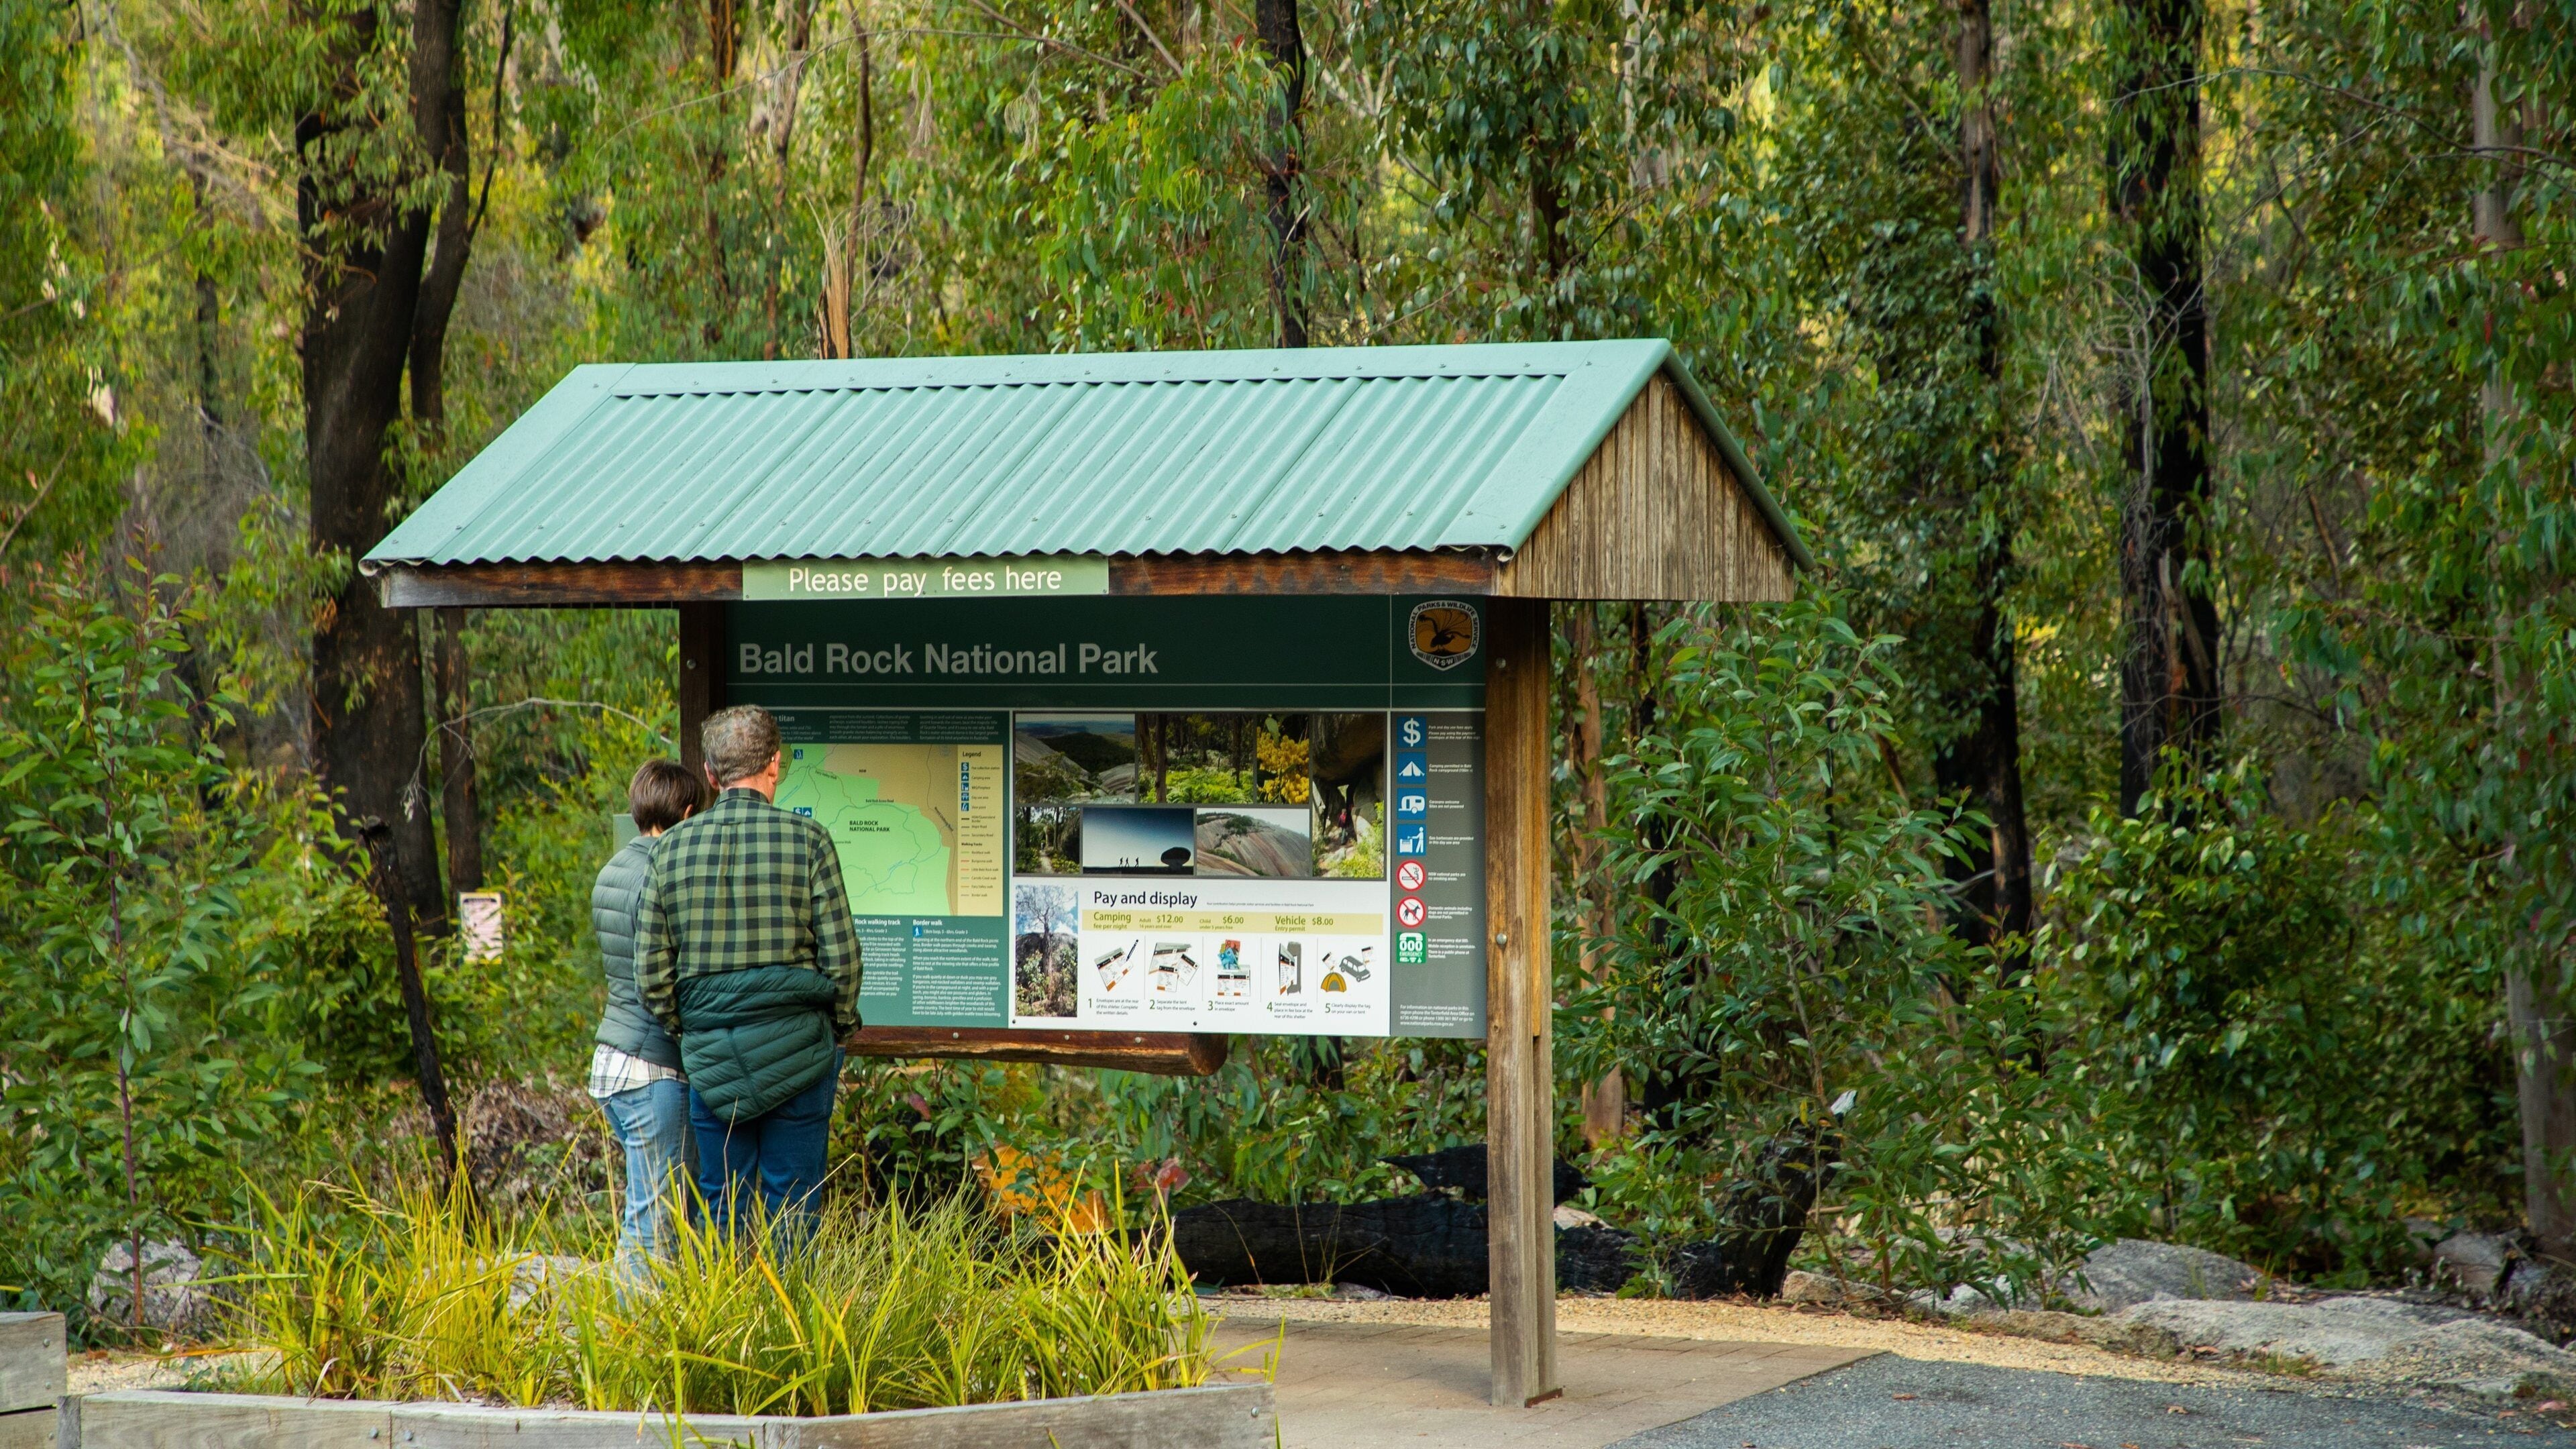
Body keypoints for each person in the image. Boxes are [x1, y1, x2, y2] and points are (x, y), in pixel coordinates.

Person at [637, 706, 863, 1237]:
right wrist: (838, 1030)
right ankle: (792, 1318)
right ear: (775, 766)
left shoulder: (667, 852)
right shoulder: (810, 841)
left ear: (712, 776)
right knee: (795, 1206)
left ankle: (725, 1319)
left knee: (721, 1204)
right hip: (802, 1056)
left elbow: (651, 974)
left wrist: (690, 1028)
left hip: (713, 1062)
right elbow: (843, 961)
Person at [588, 759, 708, 1281]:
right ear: (686, 812)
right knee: (653, 1226)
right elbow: (661, 981)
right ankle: (632, 1347)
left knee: (656, 1214)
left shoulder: (613, 869)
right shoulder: (663, 874)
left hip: (613, 1062)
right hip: (653, 1068)